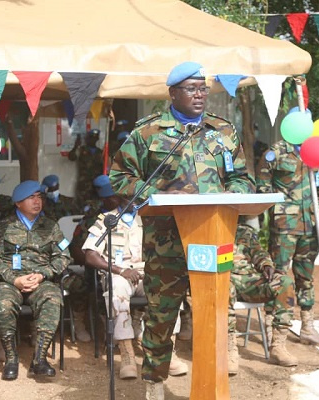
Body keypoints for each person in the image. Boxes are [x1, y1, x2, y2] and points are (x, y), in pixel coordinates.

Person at [109, 61, 256, 399]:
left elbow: (241, 178)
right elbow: (119, 176)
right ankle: (155, 385)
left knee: (214, 314)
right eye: (191, 88)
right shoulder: (149, 132)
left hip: (212, 238)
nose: (200, 94)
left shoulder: (223, 131)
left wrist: (225, 195)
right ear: (172, 93)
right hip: (166, 244)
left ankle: (211, 386)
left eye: (202, 87)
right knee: (162, 317)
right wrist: (157, 196)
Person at [82, 177, 188, 380]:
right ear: (118, 197)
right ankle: (127, 355)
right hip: (118, 274)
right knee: (117, 289)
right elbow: (90, 255)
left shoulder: (150, 217)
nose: (132, 198)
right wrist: (120, 270)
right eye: (127, 194)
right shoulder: (107, 220)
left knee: (169, 288)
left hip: (148, 274)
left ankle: (167, 353)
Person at [0, 180, 71, 380]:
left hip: (40, 281)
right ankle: (11, 358)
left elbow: (64, 256)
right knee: (3, 304)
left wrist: (44, 274)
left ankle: (39, 360)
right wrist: (14, 279)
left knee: (53, 299)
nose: (37, 201)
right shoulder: (3, 227)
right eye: (31, 198)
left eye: (39, 197)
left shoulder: (50, 226)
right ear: (18, 203)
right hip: (10, 282)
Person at [257, 140, 319, 347]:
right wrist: (273, 213)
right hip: (284, 227)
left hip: (310, 226)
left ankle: (307, 327)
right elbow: (263, 186)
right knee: (278, 275)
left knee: (305, 277)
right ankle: (273, 327)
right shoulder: (276, 153)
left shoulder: (316, 152)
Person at [228, 224, 297, 374]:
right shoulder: (207, 230)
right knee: (223, 288)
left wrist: (266, 265)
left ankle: (278, 347)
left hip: (248, 280)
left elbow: (259, 252)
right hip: (223, 280)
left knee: (285, 283)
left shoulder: (244, 231)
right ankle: (229, 350)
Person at [68, 128, 104, 207]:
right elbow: (71, 157)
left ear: (97, 139)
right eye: (91, 137)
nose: (93, 140)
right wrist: (75, 146)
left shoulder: (101, 152)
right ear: (87, 138)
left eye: (95, 138)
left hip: (97, 184)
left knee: (96, 205)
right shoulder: (81, 150)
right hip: (84, 184)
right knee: (81, 205)